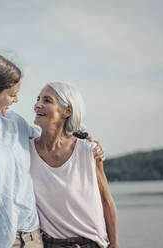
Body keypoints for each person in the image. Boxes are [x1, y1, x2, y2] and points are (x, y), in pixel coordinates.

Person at [0, 54, 105, 248]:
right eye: (12, 94)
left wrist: (86, 140)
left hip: (34, 239)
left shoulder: (15, 123)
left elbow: (53, 137)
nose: (16, 100)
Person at [29, 82, 118, 248]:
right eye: (38, 99)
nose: (37, 104)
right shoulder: (25, 150)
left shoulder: (89, 151)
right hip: (49, 244)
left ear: (67, 111)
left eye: (47, 100)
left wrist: (115, 244)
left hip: (90, 244)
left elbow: (106, 200)